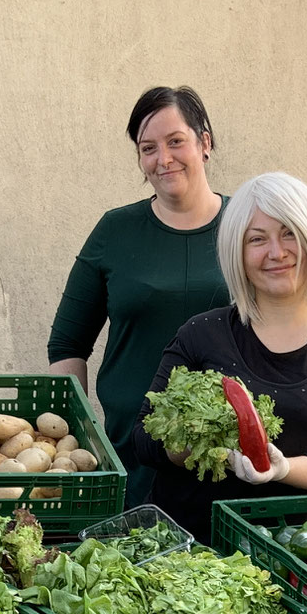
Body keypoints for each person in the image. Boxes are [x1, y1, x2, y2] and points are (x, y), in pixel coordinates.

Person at [124, 173, 307, 544]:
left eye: (290, 233)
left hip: (292, 553)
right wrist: (191, 444)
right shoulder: (200, 333)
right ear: (238, 253)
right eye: (257, 239)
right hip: (182, 546)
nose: (276, 252)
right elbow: (144, 437)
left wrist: (280, 468)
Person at [50, 86, 230, 510]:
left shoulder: (247, 229)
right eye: (147, 148)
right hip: (131, 453)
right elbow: (67, 345)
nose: (162, 159)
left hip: (228, 462)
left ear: (204, 142)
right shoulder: (115, 231)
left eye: (175, 142)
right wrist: (79, 437)